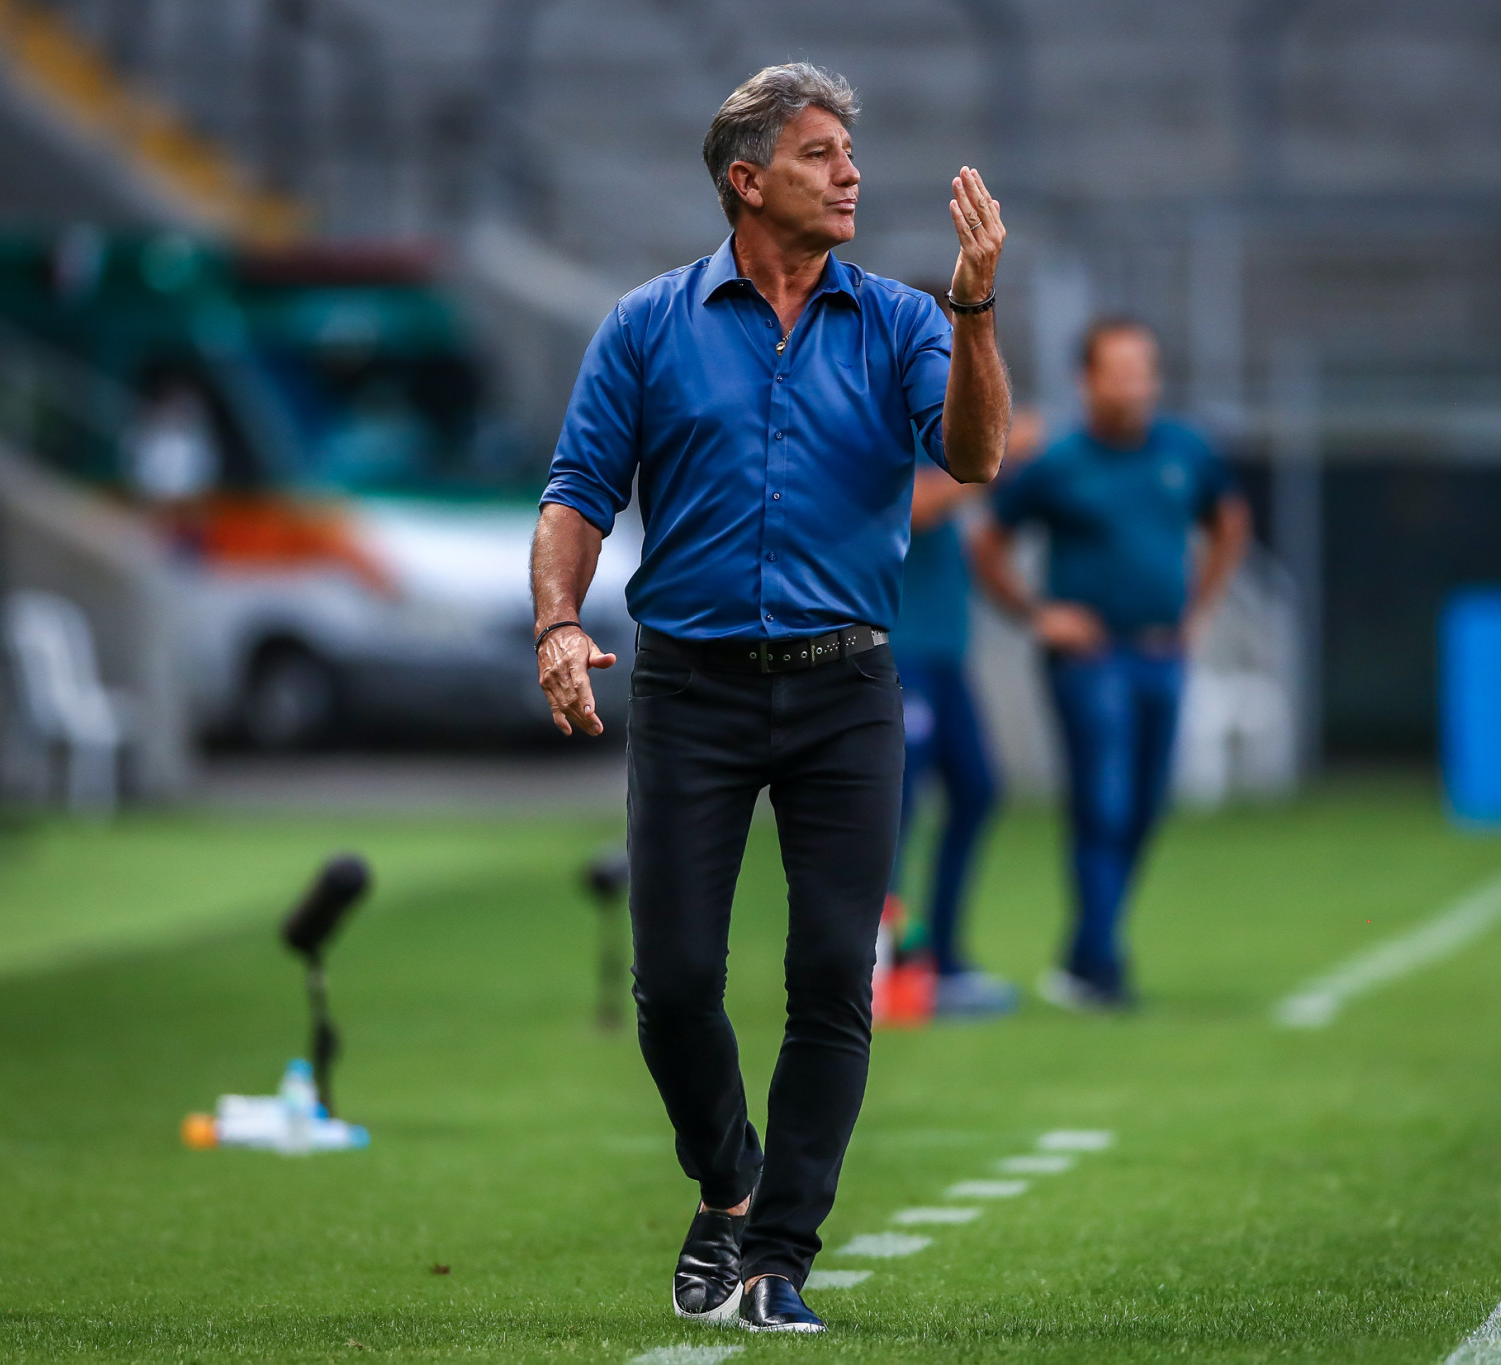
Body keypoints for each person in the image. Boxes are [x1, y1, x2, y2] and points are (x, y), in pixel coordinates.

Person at [530, 65, 1010, 1334]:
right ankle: (728, 1183)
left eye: (848, 152)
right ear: (747, 182)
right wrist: (558, 623)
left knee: (829, 976)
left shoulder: (906, 318)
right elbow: (577, 489)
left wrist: (974, 313)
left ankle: (777, 1257)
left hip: (846, 688)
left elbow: (971, 455)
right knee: (675, 983)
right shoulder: (646, 324)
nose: (849, 171)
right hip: (687, 688)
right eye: (817, 154)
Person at [972, 319, 1249, 1010]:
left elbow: (1229, 519)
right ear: (1086, 380)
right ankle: (1100, 966)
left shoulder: (1185, 451)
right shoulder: (1059, 462)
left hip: (1162, 653)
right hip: (1089, 660)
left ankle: (1083, 951)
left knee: (1145, 807)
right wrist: (1039, 615)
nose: (1134, 383)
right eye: (1118, 369)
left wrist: (1200, 608)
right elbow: (988, 542)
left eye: (1143, 368)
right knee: (1104, 800)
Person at [887, 411, 1044, 1019]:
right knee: (894, 816)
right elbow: (917, 508)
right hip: (895, 652)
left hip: (944, 655)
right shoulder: (881, 423)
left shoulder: (935, 426)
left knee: (977, 790)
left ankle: (943, 959)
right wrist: (994, 455)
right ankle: (886, 971)